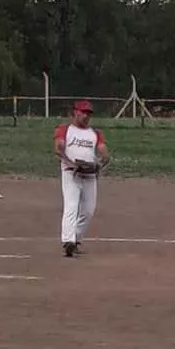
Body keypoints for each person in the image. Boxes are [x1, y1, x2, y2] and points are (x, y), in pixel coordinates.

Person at [54, 100, 109, 257]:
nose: (86, 116)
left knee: (88, 211)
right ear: (75, 112)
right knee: (71, 206)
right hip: (71, 173)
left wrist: (100, 164)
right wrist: (71, 163)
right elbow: (58, 148)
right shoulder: (65, 130)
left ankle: (76, 239)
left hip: (89, 175)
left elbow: (104, 152)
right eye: (83, 112)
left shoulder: (95, 134)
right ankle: (68, 241)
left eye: (89, 113)